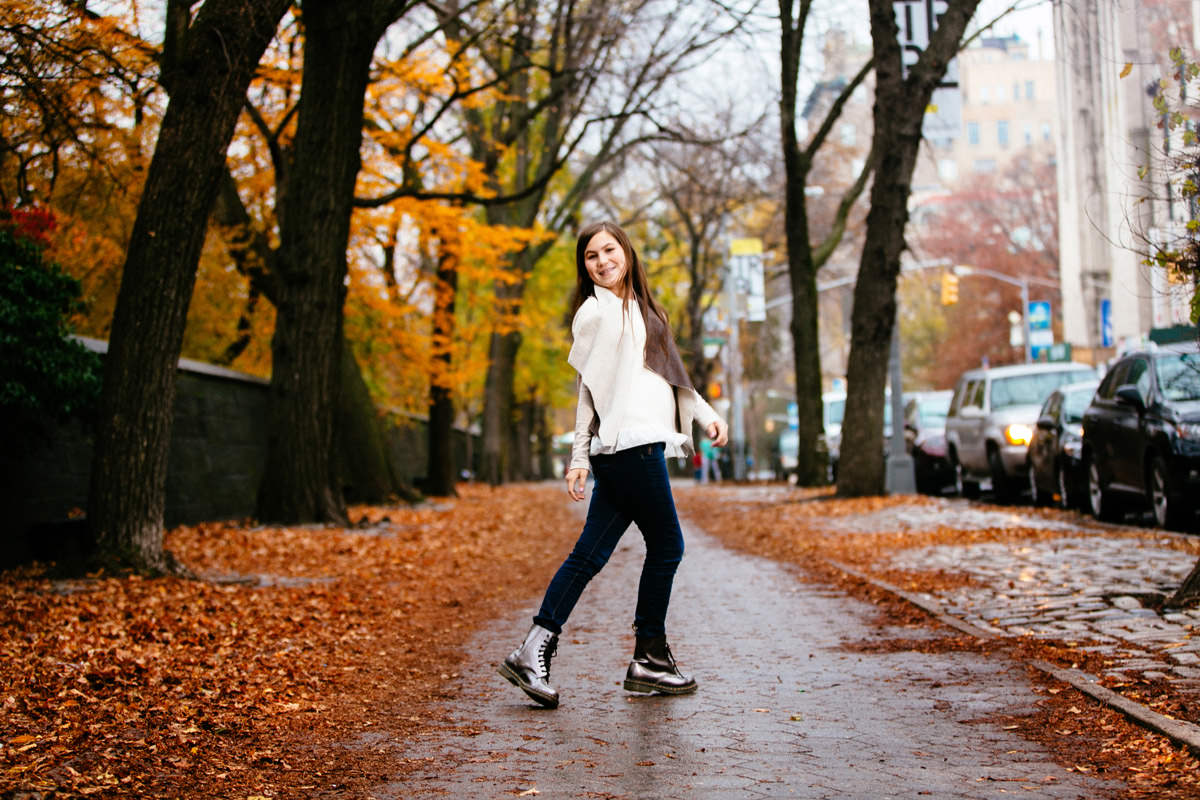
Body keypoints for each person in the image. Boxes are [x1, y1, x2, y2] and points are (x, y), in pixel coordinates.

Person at [498, 221, 728, 709]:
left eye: (609, 251)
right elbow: (588, 389)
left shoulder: (643, 309)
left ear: (626, 251)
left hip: (634, 447)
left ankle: (532, 649)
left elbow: (667, 376)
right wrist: (578, 456)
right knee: (667, 547)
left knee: (590, 555)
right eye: (591, 257)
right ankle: (649, 658)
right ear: (584, 268)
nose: (602, 262)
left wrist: (706, 415)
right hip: (630, 448)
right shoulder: (595, 312)